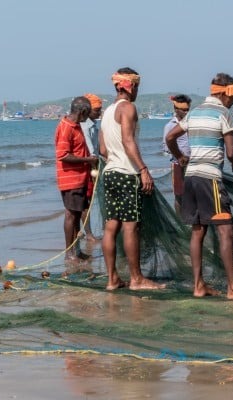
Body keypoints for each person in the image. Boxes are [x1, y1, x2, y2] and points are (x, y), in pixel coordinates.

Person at [166, 72, 233, 300]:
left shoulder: (195, 112)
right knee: (226, 230)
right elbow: (231, 152)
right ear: (225, 93)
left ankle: (198, 286)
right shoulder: (223, 113)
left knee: (198, 231)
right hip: (210, 180)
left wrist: (180, 157)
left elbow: (170, 137)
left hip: (191, 178)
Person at [99, 67, 165, 291]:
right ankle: (137, 279)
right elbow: (128, 141)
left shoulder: (107, 111)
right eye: (137, 86)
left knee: (111, 227)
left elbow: (102, 149)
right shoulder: (128, 107)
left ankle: (112, 279)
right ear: (131, 86)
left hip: (109, 173)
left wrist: (115, 161)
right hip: (127, 174)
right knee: (131, 226)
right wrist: (143, 169)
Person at [55, 96, 97, 263]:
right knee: (71, 215)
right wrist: (88, 160)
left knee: (77, 213)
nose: (87, 118)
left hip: (81, 177)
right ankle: (69, 253)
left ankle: (76, 251)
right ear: (82, 112)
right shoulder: (66, 127)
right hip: (70, 179)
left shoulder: (76, 125)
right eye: (87, 114)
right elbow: (63, 155)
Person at [162, 94, 192, 214]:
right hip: (178, 164)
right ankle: (181, 223)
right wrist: (180, 155)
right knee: (179, 195)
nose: (186, 112)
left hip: (193, 164)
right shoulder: (170, 126)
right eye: (183, 110)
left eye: (188, 110)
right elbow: (166, 147)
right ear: (176, 109)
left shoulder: (192, 122)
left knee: (193, 194)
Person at [79, 93, 103, 241]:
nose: (99, 112)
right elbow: (90, 149)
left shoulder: (93, 125)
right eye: (97, 110)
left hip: (93, 165)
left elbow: (98, 147)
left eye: (100, 109)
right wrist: (95, 164)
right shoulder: (84, 125)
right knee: (85, 201)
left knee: (88, 200)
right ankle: (88, 234)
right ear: (87, 110)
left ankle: (84, 232)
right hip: (87, 167)